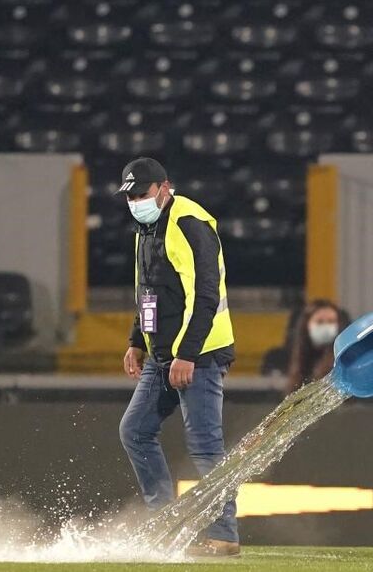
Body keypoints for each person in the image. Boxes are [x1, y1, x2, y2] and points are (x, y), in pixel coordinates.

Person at [115, 157, 239, 558]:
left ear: (165, 187)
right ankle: (166, 526)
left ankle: (224, 536)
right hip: (163, 354)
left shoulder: (189, 222)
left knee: (205, 444)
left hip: (197, 354)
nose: (136, 201)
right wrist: (138, 339)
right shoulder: (148, 227)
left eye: (143, 193)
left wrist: (187, 354)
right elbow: (148, 290)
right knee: (135, 431)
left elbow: (206, 294)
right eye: (130, 195)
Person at [286, 300, 350, 394]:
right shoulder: (291, 358)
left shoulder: (345, 360)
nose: (326, 326)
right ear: (306, 325)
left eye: (331, 321)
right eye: (320, 322)